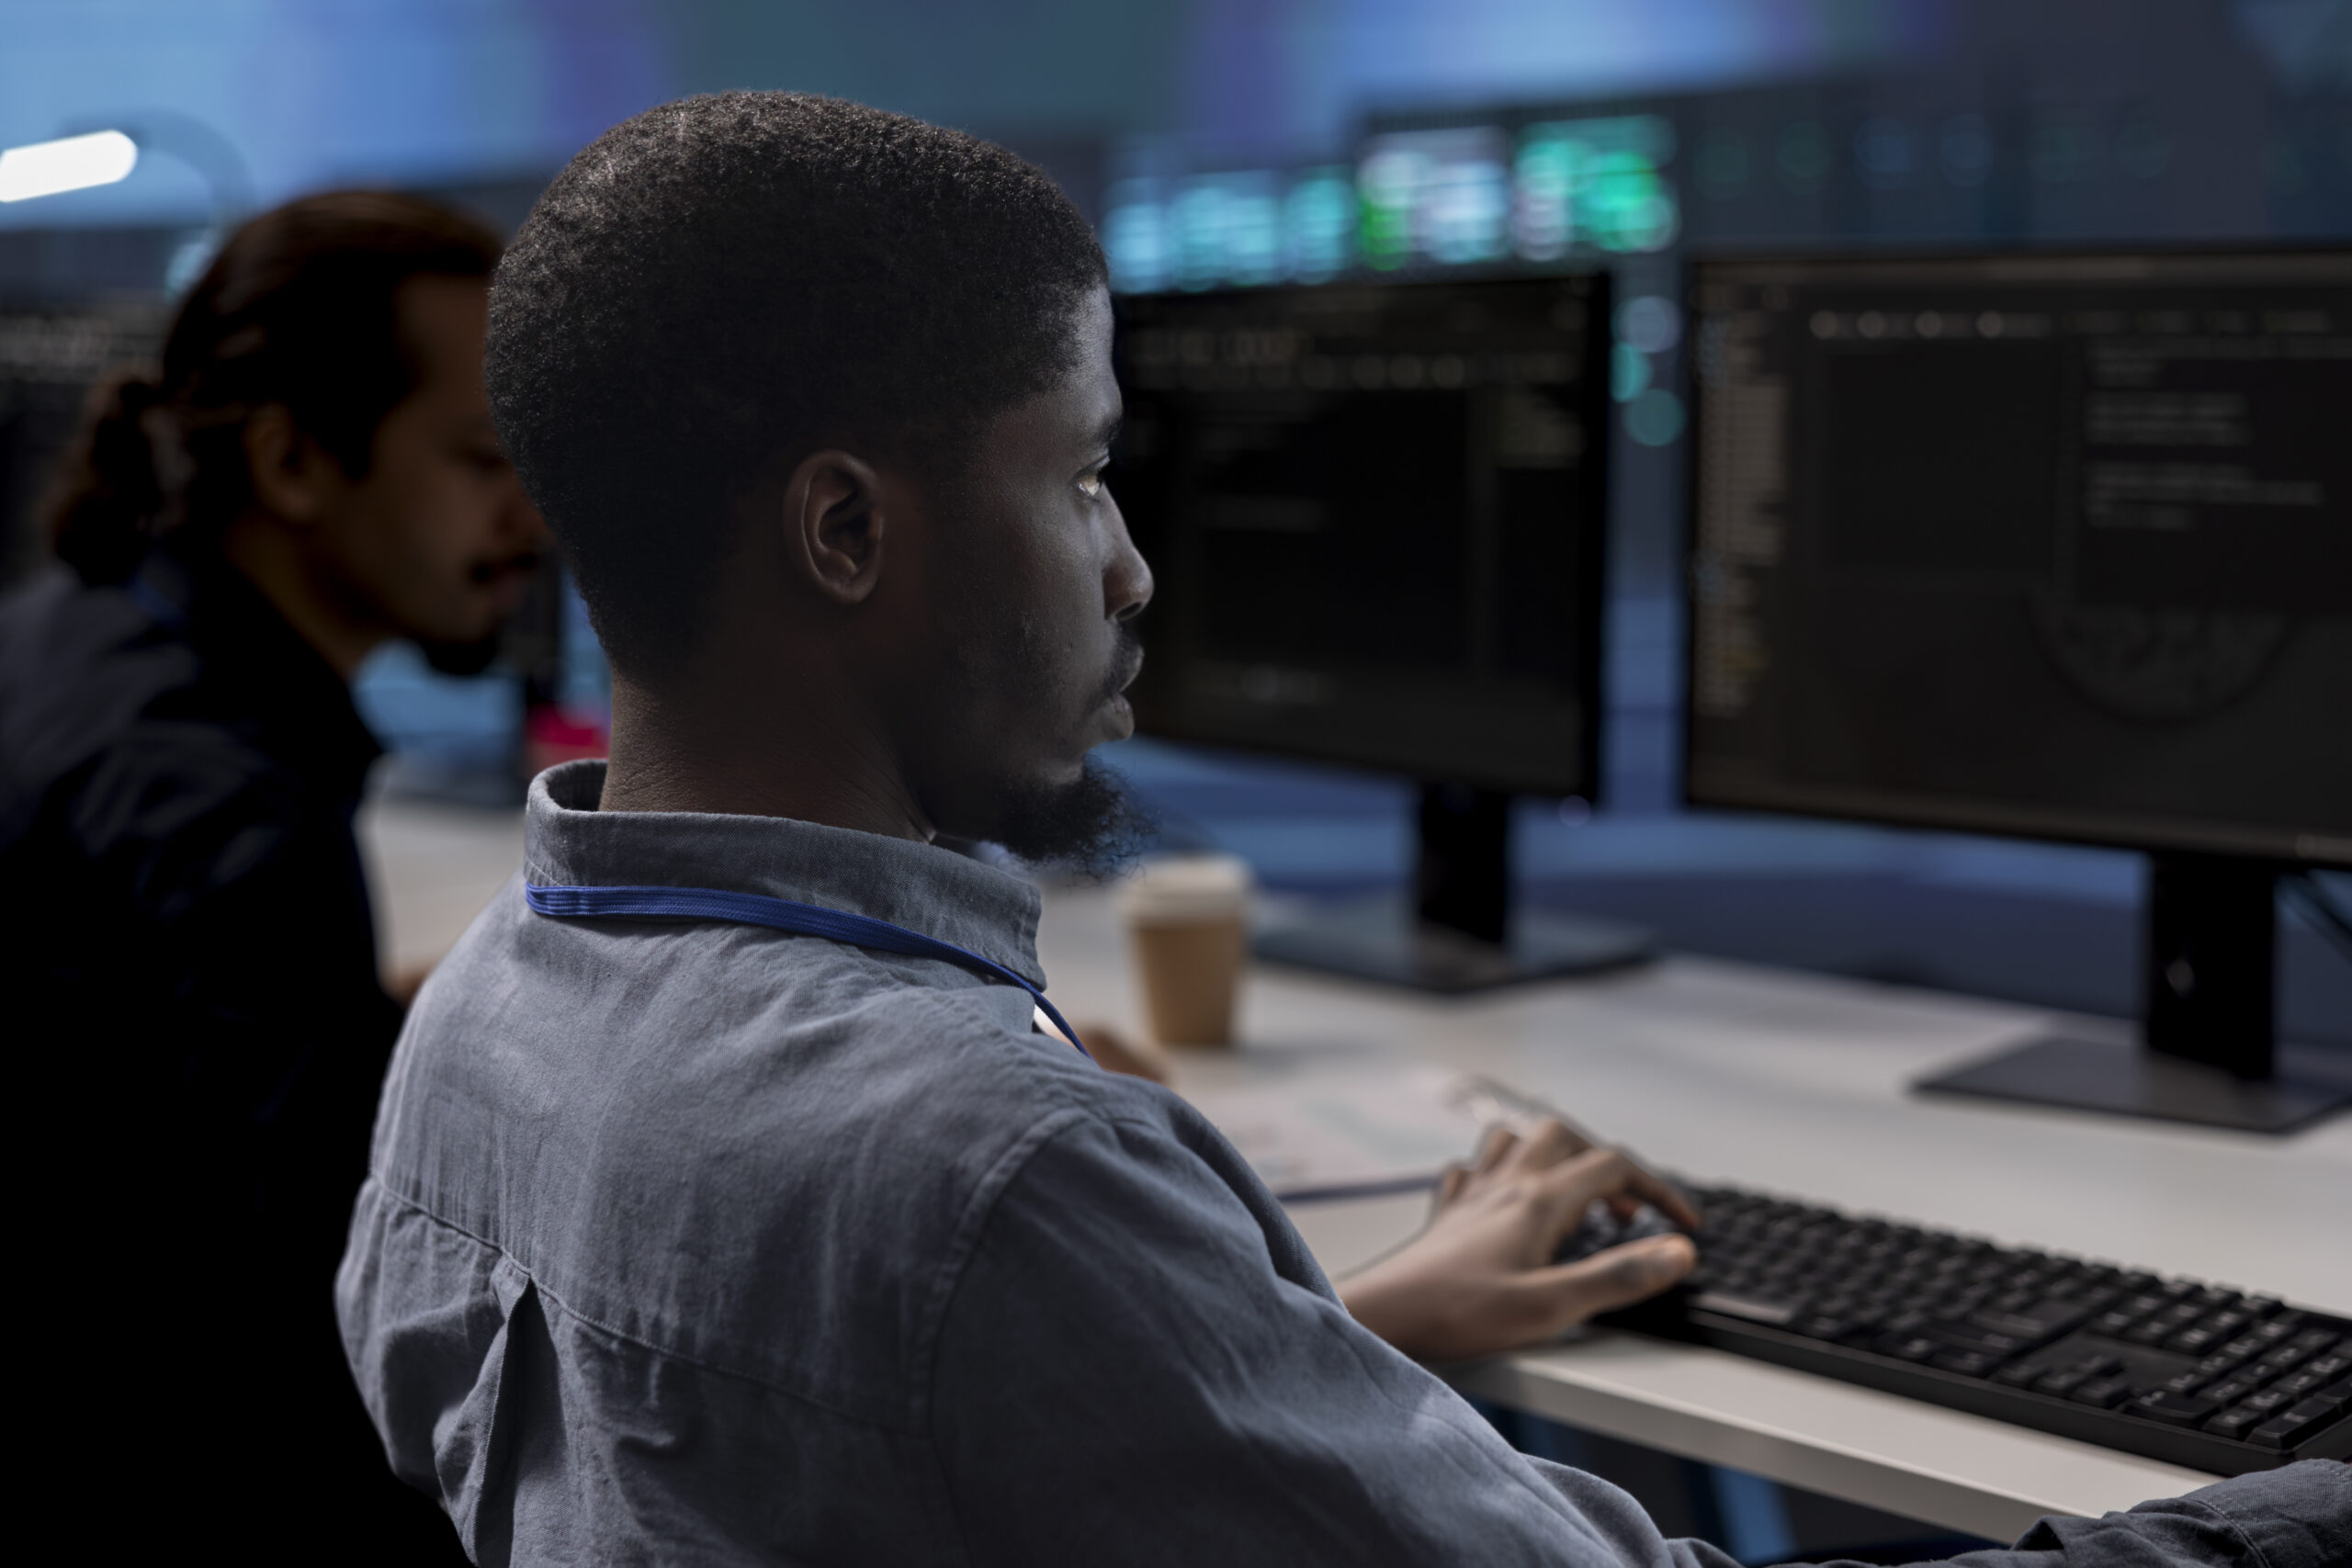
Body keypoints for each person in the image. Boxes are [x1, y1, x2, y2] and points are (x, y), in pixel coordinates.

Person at [336, 95, 2347, 1565]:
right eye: (1086, 477)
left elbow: (855, 1444)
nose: (1128, 572)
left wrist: (1303, 1340)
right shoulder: (999, 1166)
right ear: (847, 527)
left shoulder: (477, 1030)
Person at [0, 192, 543, 1559]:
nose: (530, 518)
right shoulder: (230, 830)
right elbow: (342, 1380)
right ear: (295, 461)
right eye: (483, 459)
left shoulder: (67, 639)